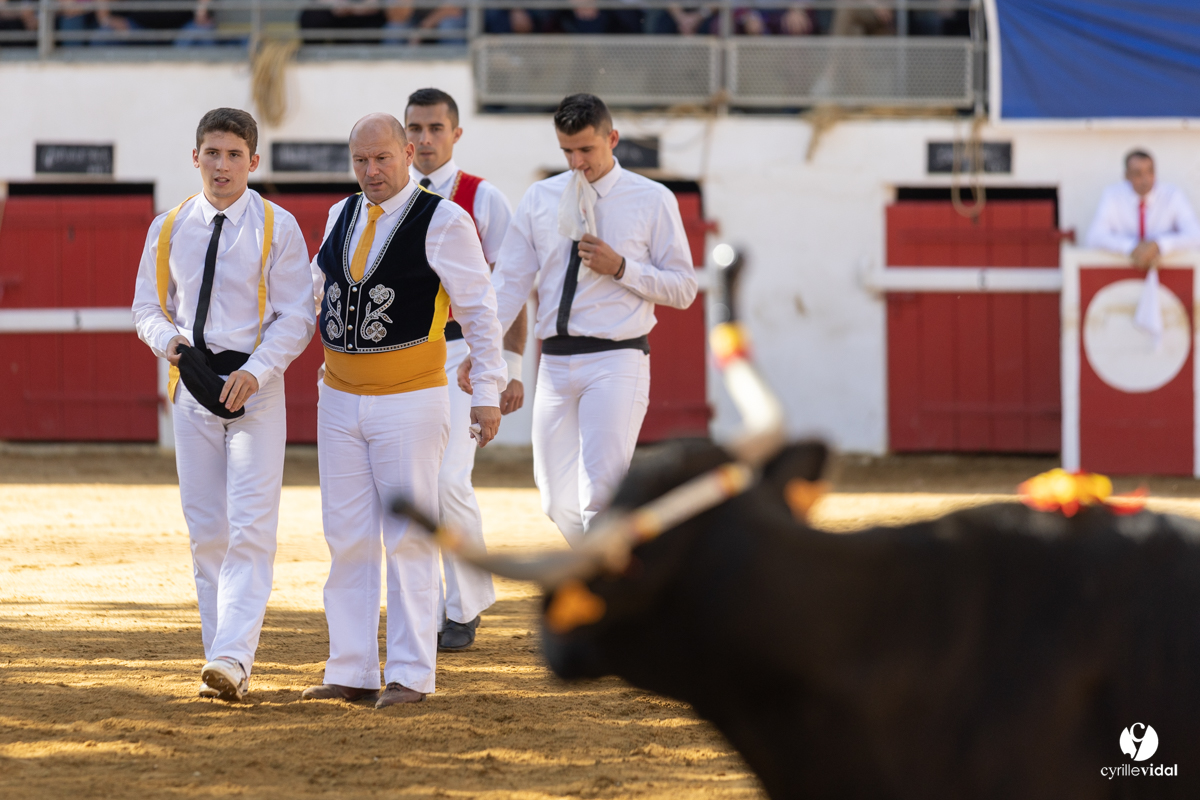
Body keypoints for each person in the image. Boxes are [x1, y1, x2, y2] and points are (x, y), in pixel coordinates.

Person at [301, 113, 505, 708]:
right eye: (360, 161)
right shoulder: (341, 214)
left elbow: (480, 310)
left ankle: (412, 674)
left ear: (408, 152)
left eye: (382, 159)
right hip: (338, 398)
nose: (371, 172)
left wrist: (488, 392)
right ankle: (352, 668)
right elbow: (319, 290)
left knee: (410, 538)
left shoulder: (444, 218)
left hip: (412, 398)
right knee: (346, 537)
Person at [131, 108, 316, 702]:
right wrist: (173, 345)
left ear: (253, 162)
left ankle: (234, 656)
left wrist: (259, 371)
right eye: (212, 152)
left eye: (235, 154)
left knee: (251, 527)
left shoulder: (277, 225)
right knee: (206, 529)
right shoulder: (168, 226)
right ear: (195, 157)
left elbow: (297, 315)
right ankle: (221, 660)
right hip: (192, 385)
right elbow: (146, 310)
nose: (222, 165)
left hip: (254, 389)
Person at [463, 93, 697, 545]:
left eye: (586, 150)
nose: (576, 162)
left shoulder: (652, 199)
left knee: (600, 495)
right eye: (566, 151)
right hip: (554, 361)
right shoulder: (540, 197)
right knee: (555, 499)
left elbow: (684, 288)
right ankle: (605, 565)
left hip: (617, 358)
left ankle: (608, 597)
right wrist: (482, 348)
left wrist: (623, 268)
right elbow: (509, 283)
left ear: (613, 139)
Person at [405, 88, 528, 651]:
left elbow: (514, 291)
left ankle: (467, 604)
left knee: (451, 477)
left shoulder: (485, 198)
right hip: (406, 355)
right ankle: (428, 610)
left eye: (435, 128)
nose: (424, 139)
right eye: (415, 128)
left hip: (464, 353)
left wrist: (507, 367)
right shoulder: (391, 195)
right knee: (416, 482)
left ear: (456, 133)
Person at [1086, 149, 1200, 270]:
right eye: (1138, 173)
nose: (1145, 179)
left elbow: (1195, 236)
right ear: (1127, 176)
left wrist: (1159, 245)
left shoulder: (1172, 195)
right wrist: (1131, 247)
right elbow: (1094, 237)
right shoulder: (1113, 195)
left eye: (1150, 172)